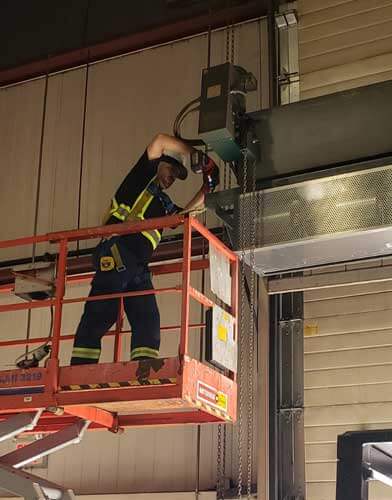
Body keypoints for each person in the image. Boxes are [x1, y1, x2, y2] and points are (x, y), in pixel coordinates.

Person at [70, 133, 218, 379]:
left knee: (147, 321)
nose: (172, 179)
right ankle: (78, 373)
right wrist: (194, 154)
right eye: (172, 170)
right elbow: (159, 140)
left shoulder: (164, 203)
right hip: (116, 253)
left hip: (136, 266)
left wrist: (208, 187)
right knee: (99, 316)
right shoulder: (140, 179)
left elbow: (185, 217)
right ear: (160, 163)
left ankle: (143, 373)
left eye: (177, 176)